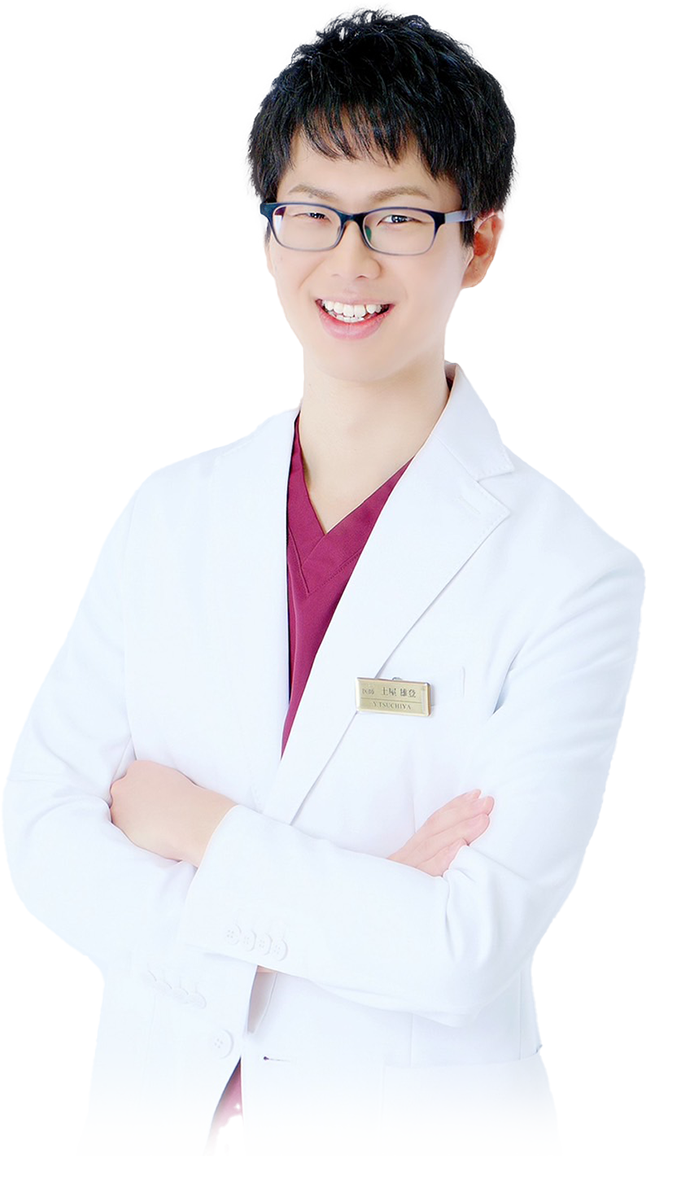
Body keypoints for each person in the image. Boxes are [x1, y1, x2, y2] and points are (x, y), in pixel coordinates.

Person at [13, 19, 637, 1156]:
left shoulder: (561, 570)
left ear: (477, 244)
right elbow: (46, 844)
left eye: (397, 218)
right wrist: (351, 902)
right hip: (155, 1138)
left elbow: (461, 950)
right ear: (270, 230)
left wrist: (198, 827)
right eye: (311, 213)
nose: (347, 263)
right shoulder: (166, 526)